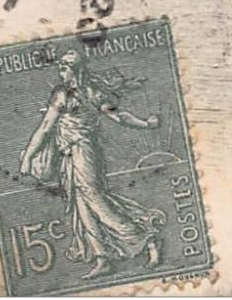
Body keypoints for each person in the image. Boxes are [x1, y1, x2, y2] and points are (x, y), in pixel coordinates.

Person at [19, 50, 166, 280]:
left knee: (95, 200)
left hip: (84, 151)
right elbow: (46, 127)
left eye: (65, 67)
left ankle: (145, 238)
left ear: (76, 69)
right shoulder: (64, 93)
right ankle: (102, 258)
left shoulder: (86, 93)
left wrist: (146, 124)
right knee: (81, 205)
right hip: (68, 154)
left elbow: (119, 116)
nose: (61, 71)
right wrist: (29, 156)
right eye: (60, 67)